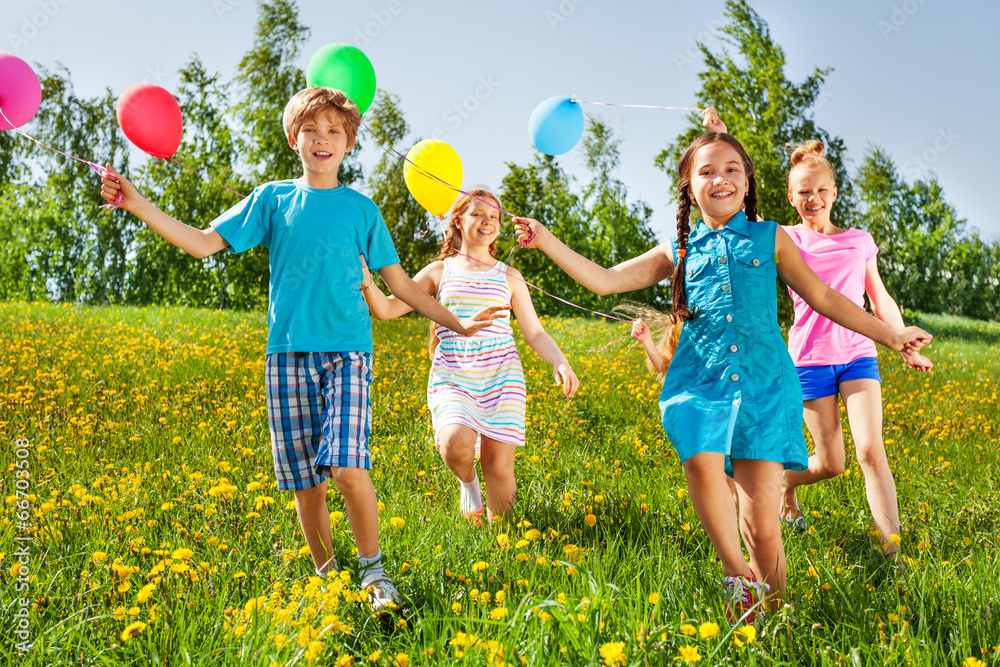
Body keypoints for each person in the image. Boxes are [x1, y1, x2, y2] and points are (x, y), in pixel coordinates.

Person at [99, 87, 506, 613]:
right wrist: (135, 201)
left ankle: (374, 574)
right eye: (312, 130)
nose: (323, 139)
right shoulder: (272, 199)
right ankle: (328, 577)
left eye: (335, 131)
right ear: (295, 138)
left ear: (349, 143)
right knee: (305, 482)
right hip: (286, 357)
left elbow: (403, 287)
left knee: (346, 467)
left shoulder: (362, 210)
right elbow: (202, 242)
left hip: (347, 354)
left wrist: (460, 324)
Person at [513, 125, 930, 621]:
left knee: (762, 524)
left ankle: (774, 620)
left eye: (732, 169)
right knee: (698, 451)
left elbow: (825, 298)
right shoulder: (678, 248)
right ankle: (736, 573)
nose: (721, 178)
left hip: (764, 385)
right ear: (689, 186)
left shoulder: (770, 236)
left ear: (748, 184)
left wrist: (890, 334)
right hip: (700, 380)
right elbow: (606, 281)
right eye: (706, 171)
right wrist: (547, 240)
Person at [703, 112, 932, 556]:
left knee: (869, 450)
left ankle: (893, 554)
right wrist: (722, 139)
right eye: (804, 192)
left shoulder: (859, 240)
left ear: (834, 193)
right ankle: (779, 485)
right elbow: (736, 203)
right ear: (791, 197)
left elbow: (878, 297)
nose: (813, 199)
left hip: (858, 355)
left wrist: (900, 337)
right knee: (830, 463)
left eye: (821, 191)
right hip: (808, 359)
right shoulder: (786, 238)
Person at [360, 187, 579, 524]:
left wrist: (559, 360)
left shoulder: (509, 276)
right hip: (454, 377)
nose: (487, 221)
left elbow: (534, 332)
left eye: (494, 216)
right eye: (478, 213)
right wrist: (366, 282)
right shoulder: (439, 272)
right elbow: (388, 309)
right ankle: (468, 483)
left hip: (502, 379)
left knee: (499, 466)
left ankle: (501, 543)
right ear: (458, 220)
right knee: (453, 443)